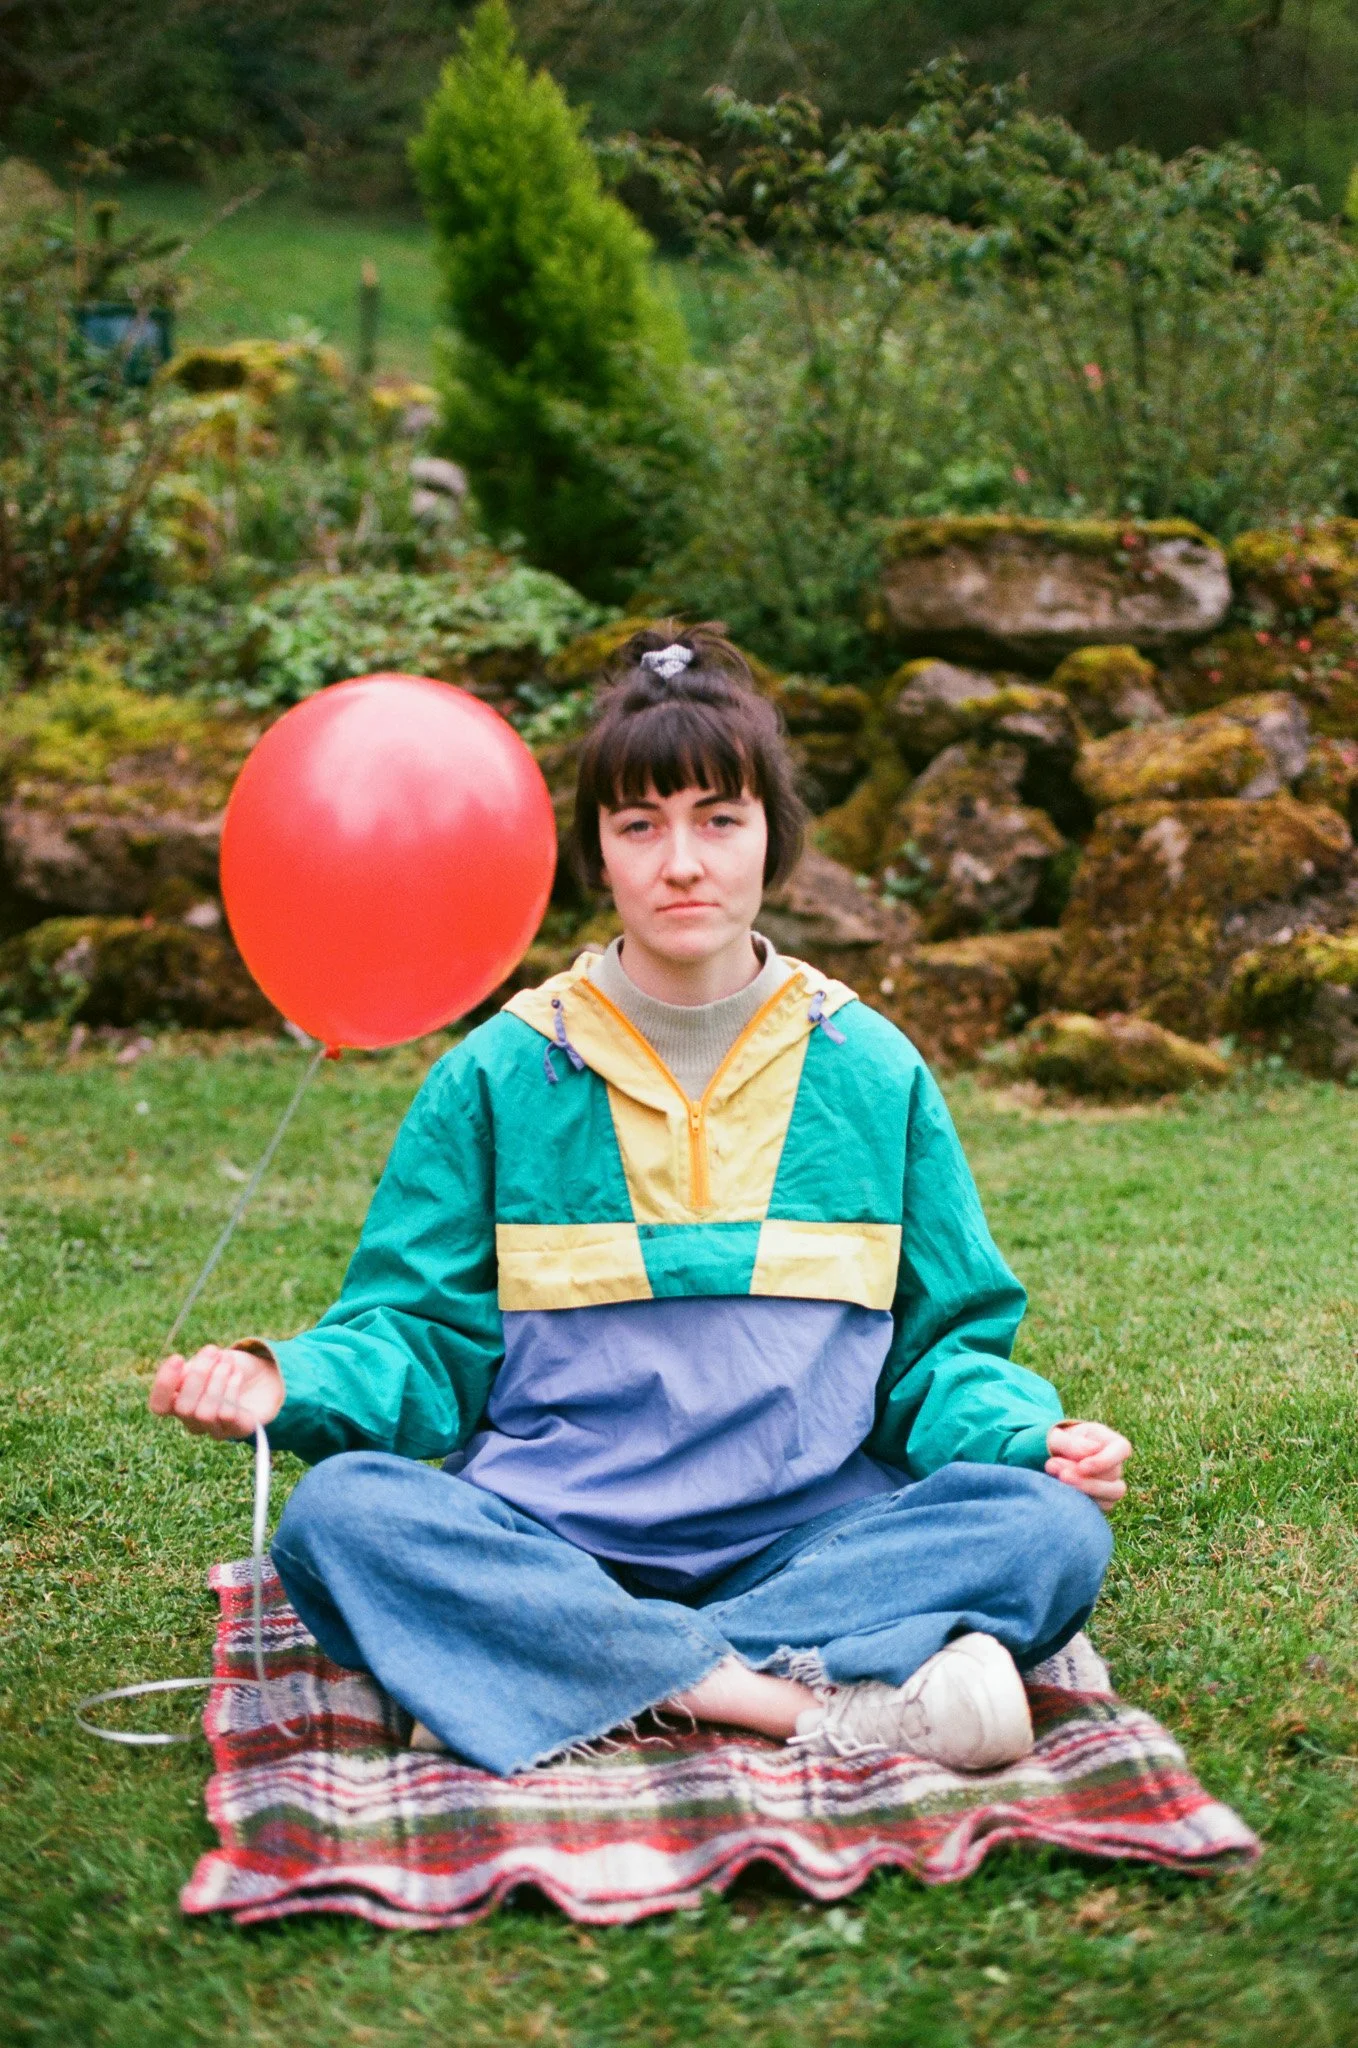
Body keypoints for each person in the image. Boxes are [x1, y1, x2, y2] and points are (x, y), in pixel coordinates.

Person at [149, 625, 1131, 1779]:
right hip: (551, 1534)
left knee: (1047, 1531)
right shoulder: (497, 1074)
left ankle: (537, 1664)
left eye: (718, 819)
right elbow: (416, 1338)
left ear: (772, 834)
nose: (682, 863)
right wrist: (289, 1379)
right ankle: (783, 1702)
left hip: (809, 1538)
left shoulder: (872, 1069)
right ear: (597, 854)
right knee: (339, 1520)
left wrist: (1026, 1437)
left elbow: (942, 1348)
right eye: (638, 825)